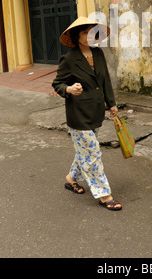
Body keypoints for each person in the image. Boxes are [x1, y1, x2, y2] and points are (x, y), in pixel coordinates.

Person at [52, 16, 122, 211]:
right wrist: (69, 89)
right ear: (77, 36)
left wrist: (112, 104)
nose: (89, 35)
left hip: (96, 111)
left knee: (85, 151)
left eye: (92, 31)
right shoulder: (69, 59)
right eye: (85, 32)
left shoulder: (98, 54)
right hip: (79, 114)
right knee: (92, 153)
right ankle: (104, 194)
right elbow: (58, 83)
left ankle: (71, 178)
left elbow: (105, 80)